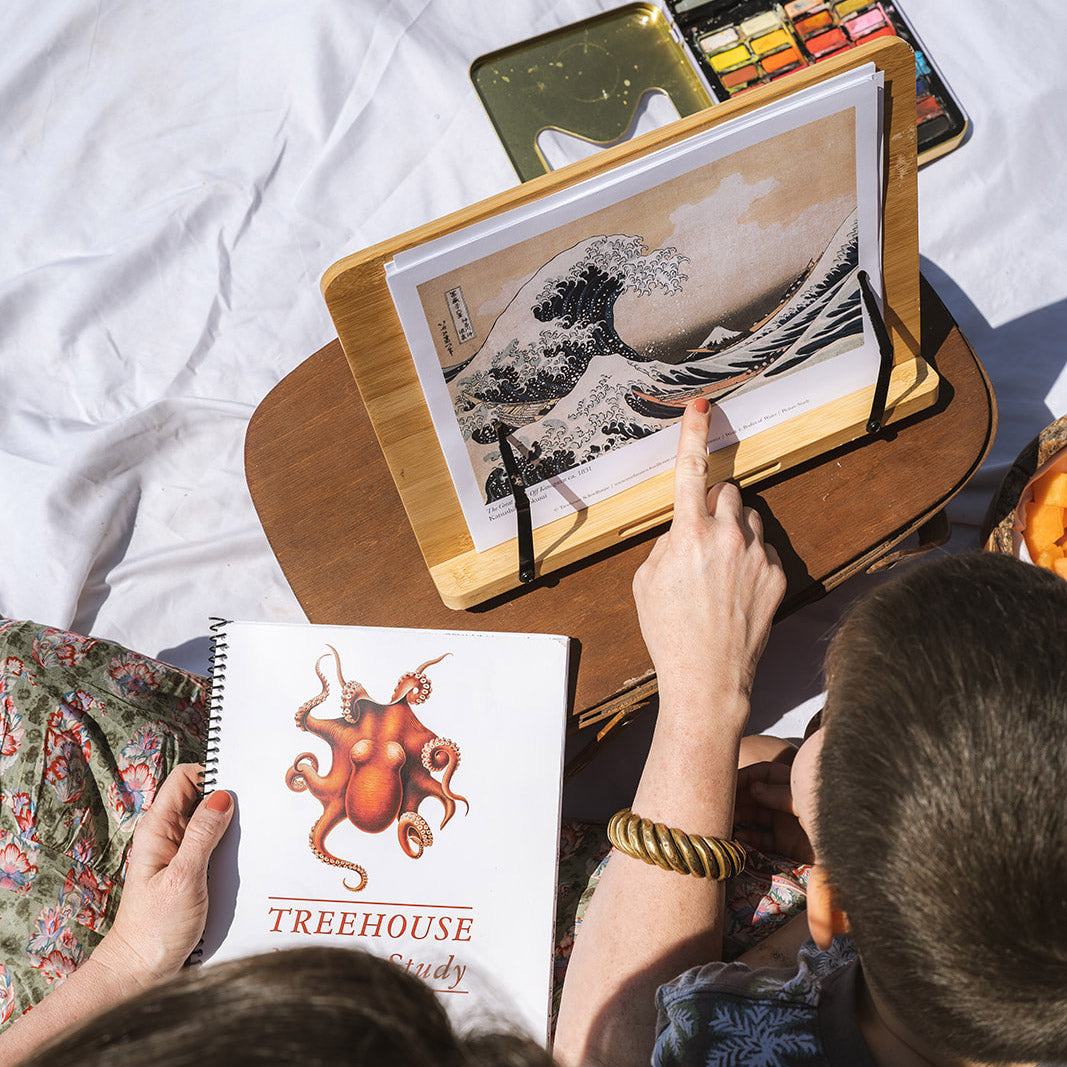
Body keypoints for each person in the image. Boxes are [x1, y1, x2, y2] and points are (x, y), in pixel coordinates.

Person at [554, 398, 1067, 1066]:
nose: (811, 737)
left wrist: (701, 693)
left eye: (826, 728)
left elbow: (594, 1052)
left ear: (827, 909)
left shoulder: (712, 1036)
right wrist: (885, 851)